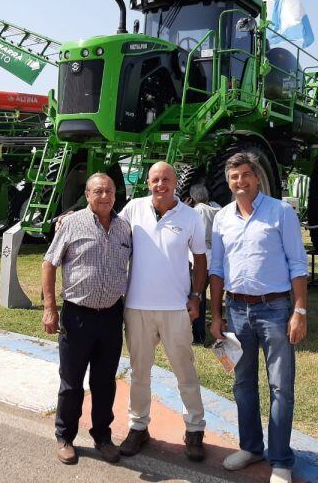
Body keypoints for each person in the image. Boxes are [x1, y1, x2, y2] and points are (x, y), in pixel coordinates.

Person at [209, 151, 308, 483]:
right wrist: (216, 316)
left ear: (257, 178)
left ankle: (280, 460)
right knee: (242, 383)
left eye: (246, 175)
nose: (241, 182)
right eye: (235, 177)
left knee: (281, 387)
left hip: (276, 310)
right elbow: (217, 270)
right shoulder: (221, 218)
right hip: (236, 311)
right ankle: (251, 447)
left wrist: (299, 311)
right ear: (229, 181)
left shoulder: (281, 212)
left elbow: (297, 263)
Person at [118, 161, 209, 462]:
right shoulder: (133, 209)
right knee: (139, 372)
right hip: (137, 308)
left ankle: (194, 430)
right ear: (147, 182)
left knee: (185, 372)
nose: (161, 184)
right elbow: (107, 227)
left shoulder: (191, 216)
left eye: (166, 179)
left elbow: (200, 260)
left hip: (175, 309)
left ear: (175, 183)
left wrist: (196, 296)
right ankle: (138, 426)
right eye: (155, 179)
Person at [41, 173, 132, 465]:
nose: (104, 196)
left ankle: (102, 437)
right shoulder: (71, 223)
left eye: (109, 191)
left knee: (105, 381)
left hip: (111, 317)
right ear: (87, 193)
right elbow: (49, 263)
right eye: (98, 191)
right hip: (77, 315)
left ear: (116, 194)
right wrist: (49, 308)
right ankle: (65, 437)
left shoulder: (124, 228)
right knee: (71, 382)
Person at [188, 184, 219, 344]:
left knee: (195, 296)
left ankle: (197, 334)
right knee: (203, 296)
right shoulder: (216, 208)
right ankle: (201, 333)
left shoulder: (196, 211)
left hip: (199, 258)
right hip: (214, 258)